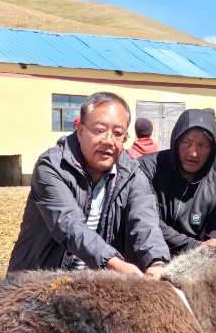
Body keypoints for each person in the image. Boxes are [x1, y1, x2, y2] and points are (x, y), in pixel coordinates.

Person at [9, 91, 170, 278]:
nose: (109, 140)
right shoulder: (52, 167)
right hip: (40, 283)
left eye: (118, 133)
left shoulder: (131, 172)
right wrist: (113, 263)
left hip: (94, 287)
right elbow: (69, 225)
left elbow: (145, 219)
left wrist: (156, 261)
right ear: (80, 132)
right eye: (99, 130)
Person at [138, 109, 216, 256]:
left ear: (212, 149)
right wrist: (194, 245)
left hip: (189, 265)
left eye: (202, 145)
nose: (193, 153)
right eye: (187, 142)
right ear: (176, 141)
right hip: (143, 257)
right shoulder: (147, 168)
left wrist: (212, 244)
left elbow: (214, 240)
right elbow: (147, 220)